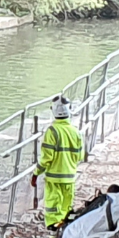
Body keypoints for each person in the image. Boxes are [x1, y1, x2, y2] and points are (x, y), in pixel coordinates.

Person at [34, 97, 86, 229]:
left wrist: (36, 173)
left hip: (54, 177)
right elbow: (79, 156)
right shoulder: (76, 132)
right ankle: (65, 227)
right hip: (70, 177)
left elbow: (46, 158)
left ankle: (53, 227)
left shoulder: (52, 131)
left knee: (53, 205)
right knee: (66, 205)